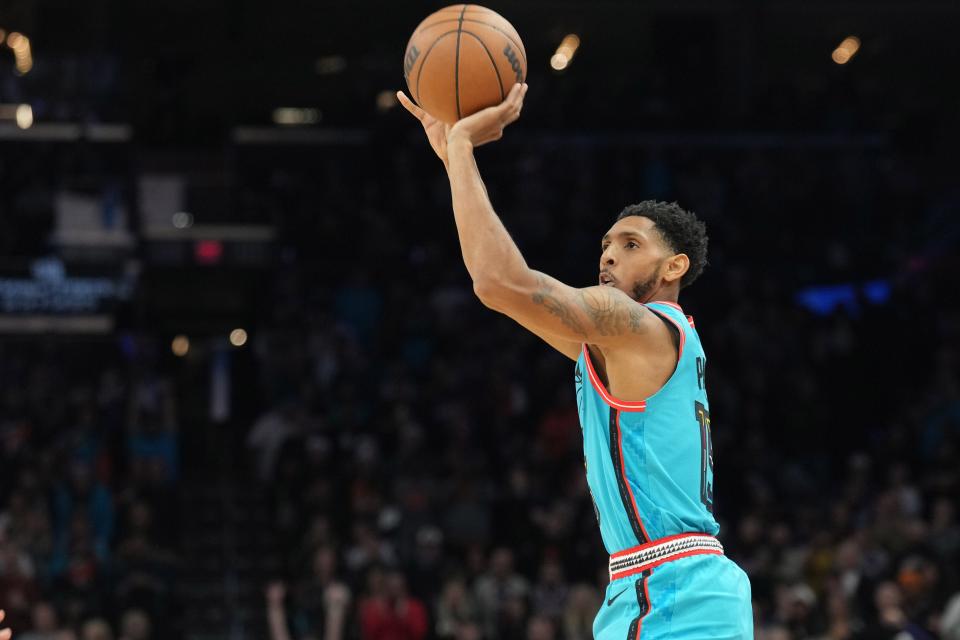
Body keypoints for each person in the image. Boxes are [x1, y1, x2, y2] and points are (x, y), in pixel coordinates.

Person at [397, 83, 753, 638]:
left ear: (675, 267)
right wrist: (455, 164)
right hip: (667, 584)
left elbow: (498, 281)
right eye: (606, 243)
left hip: (672, 589)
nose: (609, 253)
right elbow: (502, 292)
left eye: (631, 244)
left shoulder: (642, 327)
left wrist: (462, 151)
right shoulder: (629, 346)